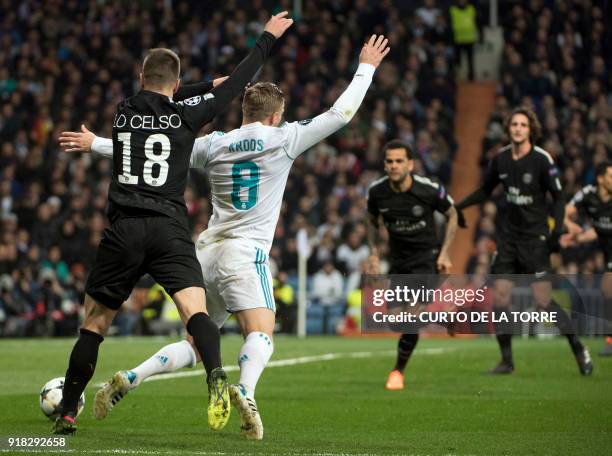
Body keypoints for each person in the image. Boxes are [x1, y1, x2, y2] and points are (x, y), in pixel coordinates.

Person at [59, 34, 390, 440]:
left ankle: (132, 375)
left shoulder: (213, 144)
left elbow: (150, 148)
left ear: (245, 110)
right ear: (274, 116)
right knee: (261, 332)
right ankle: (246, 392)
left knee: (197, 340)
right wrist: (366, 67)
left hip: (206, 251)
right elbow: (341, 113)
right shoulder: (285, 139)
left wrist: (96, 144)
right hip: (245, 253)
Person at [52, 12, 293, 435]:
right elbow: (235, 85)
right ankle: (216, 374)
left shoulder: (123, 114)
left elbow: (163, 97)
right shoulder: (185, 119)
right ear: (178, 86)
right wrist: (266, 39)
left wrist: (92, 144)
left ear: (141, 76)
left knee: (93, 325)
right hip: (168, 229)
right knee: (196, 313)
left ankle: (68, 411)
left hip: (123, 228)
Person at [455, 107, 593, 375]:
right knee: (500, 297)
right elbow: (485, 190)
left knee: (543, 301)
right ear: (508, 129)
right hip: (508, 238)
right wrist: (459, 206)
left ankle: (578, 348)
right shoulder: (500, 159)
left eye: (523, 125)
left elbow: (559, 197)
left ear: (531, 130)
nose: (518, 129)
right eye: (514, 124)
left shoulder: (542, 160)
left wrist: (554, 234)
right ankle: (507, 361)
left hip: (535, 239)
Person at [366, 139, 458, 390]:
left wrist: (445, 253)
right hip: (399, 261)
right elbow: (371, 220)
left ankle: (397, 372)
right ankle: (444, 316)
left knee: (413, 317)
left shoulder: (427, 189)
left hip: (426, 259)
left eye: (399, 161)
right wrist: (374, 253)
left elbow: (452, 214)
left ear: (410, 164)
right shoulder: (377, 192)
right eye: (389, 161)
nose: (394, 166)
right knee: (397, 321)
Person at [563, 161, 612, 356]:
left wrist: (579, 236)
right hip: (608, 249)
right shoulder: (588, 194)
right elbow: (566, 211)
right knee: (607, 290)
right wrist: (573, 231)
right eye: (610, 175)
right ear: (600, 179)